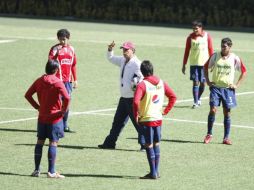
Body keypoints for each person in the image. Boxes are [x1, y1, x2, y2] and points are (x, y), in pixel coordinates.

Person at [25, 60, 70, 178]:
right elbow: (67, 97)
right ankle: (51, 172)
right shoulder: (58, 82)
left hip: (42, 118)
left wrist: (38, 107)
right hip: (55, 118)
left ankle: (36, 170)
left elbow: (27, 95)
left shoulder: (39, 81)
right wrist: (63, 111)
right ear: (56, 70)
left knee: (40, 141)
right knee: (53, 142)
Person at [98, 41, 146, 150]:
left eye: (126, 50)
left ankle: (145, 145)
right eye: (123, 50)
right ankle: (110, 143)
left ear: (132, 50)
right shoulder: (123, 60)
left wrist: (136, 85)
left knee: (138, 122)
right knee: (117, 122)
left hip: (133, 99)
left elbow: (142, 79)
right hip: (124, 98)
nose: (124, 52)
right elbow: (111, 58)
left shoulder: (137, 63)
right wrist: (110, 50)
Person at [133, 60, 177, 179]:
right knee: (156, 143)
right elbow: (173, 96)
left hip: (146, 119)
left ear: (142, 72)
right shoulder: (161, 83)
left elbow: (136, 101)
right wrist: (165, 111)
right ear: (152, 70)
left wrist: (136, 114)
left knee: (148, 145)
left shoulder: (142, 85)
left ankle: (152, 173)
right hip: (158, 119)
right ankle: (156, 171)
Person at [203, 37, 247, 145]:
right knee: (213, 110)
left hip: (228, 90)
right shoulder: (215, 56)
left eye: (225, 46)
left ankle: (226, 138)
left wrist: (236, 85)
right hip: (216, 88)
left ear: (230, 47)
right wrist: (208, 81)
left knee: (227, 113)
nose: (223, 48)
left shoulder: (234, 58)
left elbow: (244, 72)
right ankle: (209, 134)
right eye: (222, 46)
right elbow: (205, 67)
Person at [48, 28, 77, 132]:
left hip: (68, 81)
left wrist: (75, 79)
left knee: (66, 102)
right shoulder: (54, 49)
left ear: (68, 38)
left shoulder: (72, 49)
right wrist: (57, 54)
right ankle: (55, 124)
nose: (62, 42)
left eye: (64, 39)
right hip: (57, 81)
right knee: (57, 103)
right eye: (60, 39)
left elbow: (73, 65)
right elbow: (50, 63)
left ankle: (64, 124)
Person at [182, 20, 214, 108]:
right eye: (193, 29)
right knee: (195, 82)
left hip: (204, 64)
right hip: (194, 64)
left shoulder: (207, 36)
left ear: (201, 28)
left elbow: (211, 49)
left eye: (196, 28)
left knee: (203, 83)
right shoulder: (190, 38)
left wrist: (212, 63)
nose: (194, 30)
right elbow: (186, 51)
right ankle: (195, 102)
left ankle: (198, 98)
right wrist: (184, 64)